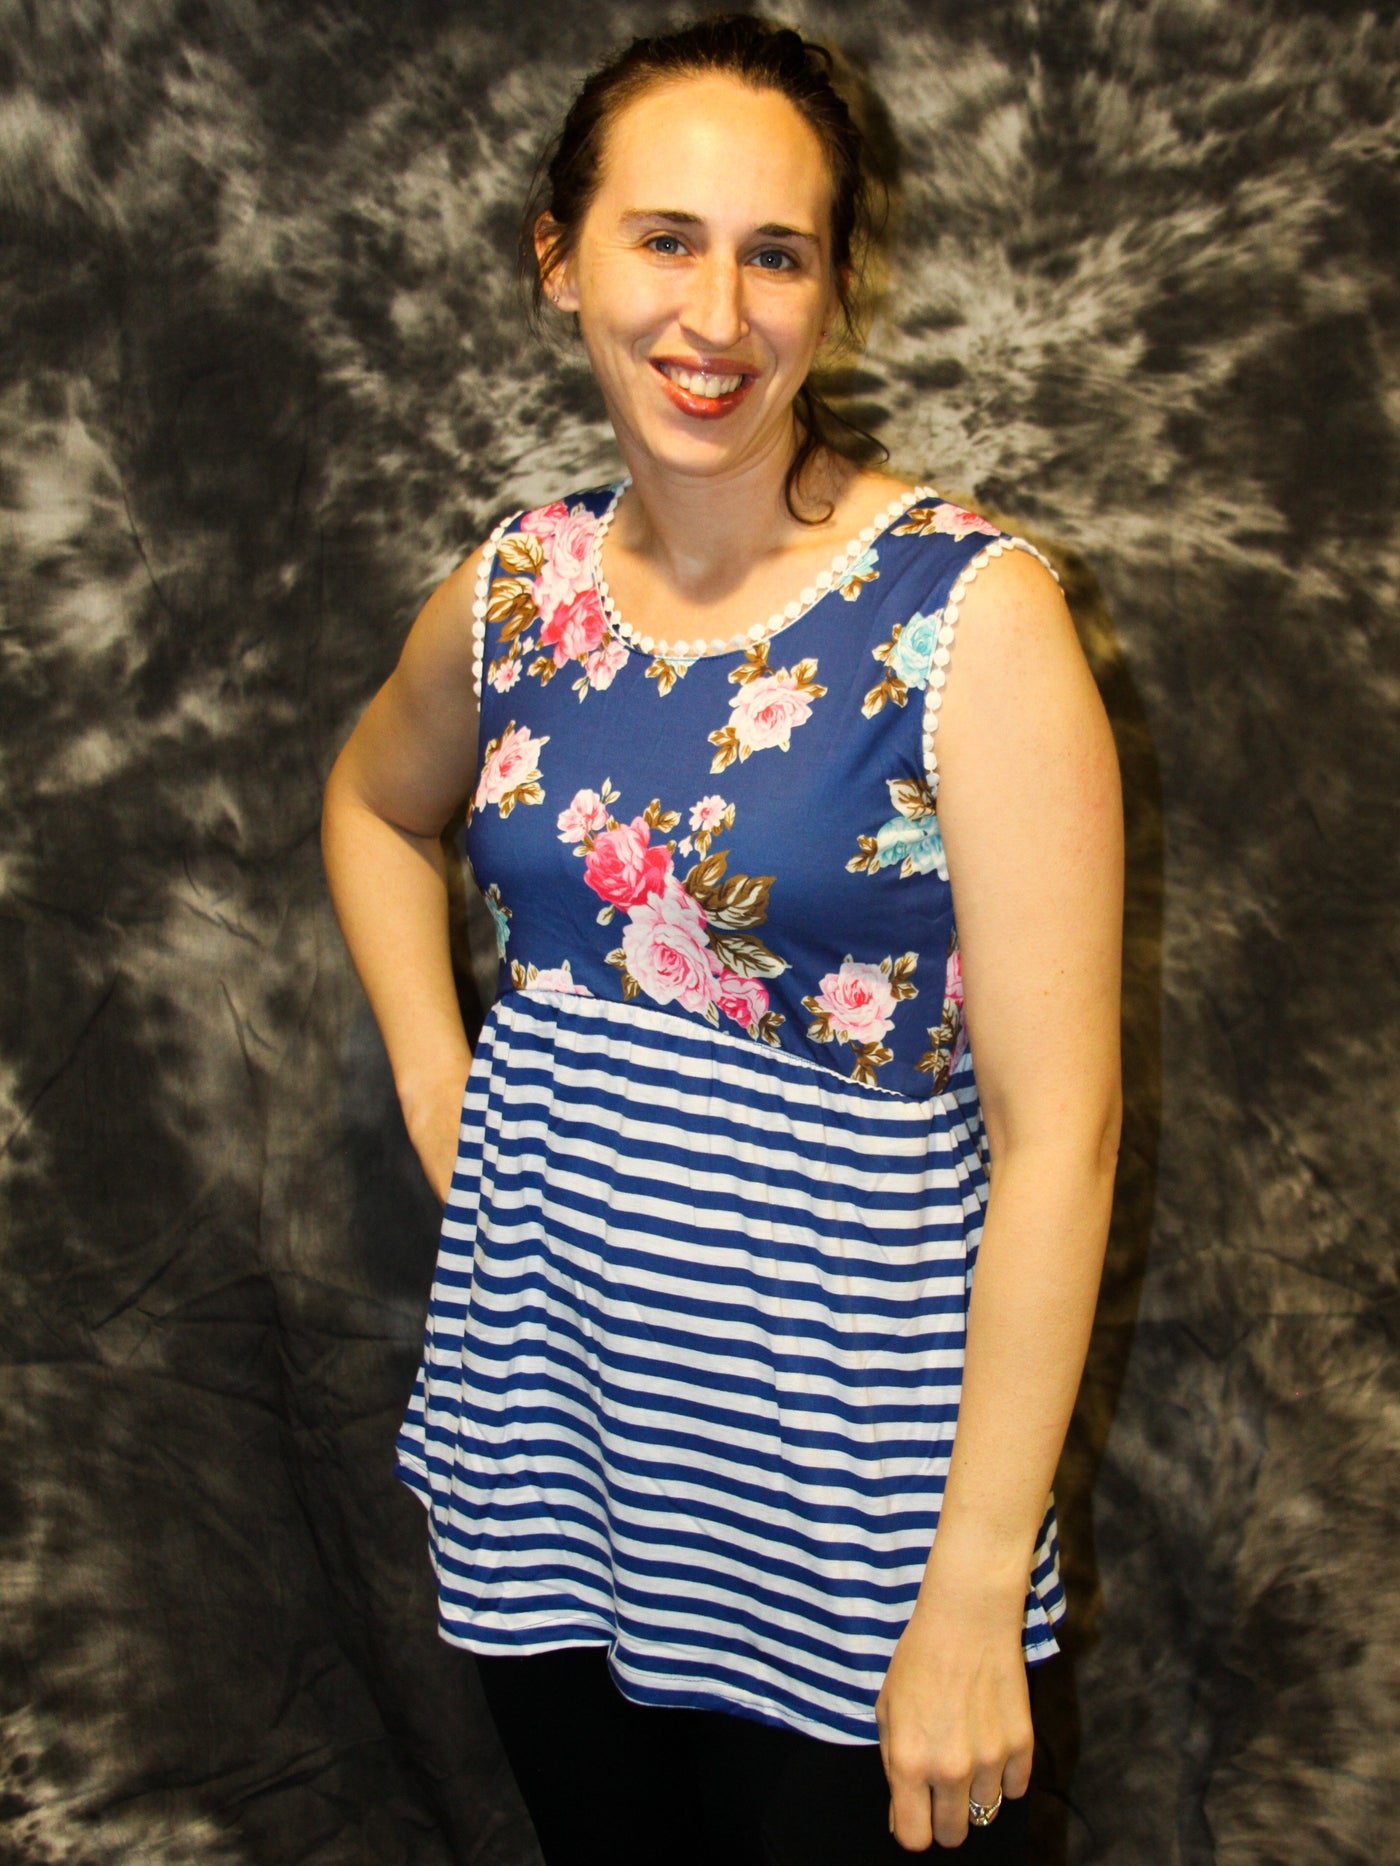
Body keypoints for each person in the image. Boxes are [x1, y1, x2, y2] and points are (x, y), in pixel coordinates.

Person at [320, 15, 1123, 1863]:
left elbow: (1060, 1138)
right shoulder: (516, 591)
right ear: (562, 257)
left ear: (834, 288)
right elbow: (370, 806)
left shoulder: (966, 618)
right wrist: (438, 1071)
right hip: (558, 1462)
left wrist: (972, 1589)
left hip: (852, 1533)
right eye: (664, 237)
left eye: (777, 253)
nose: (718, 311)